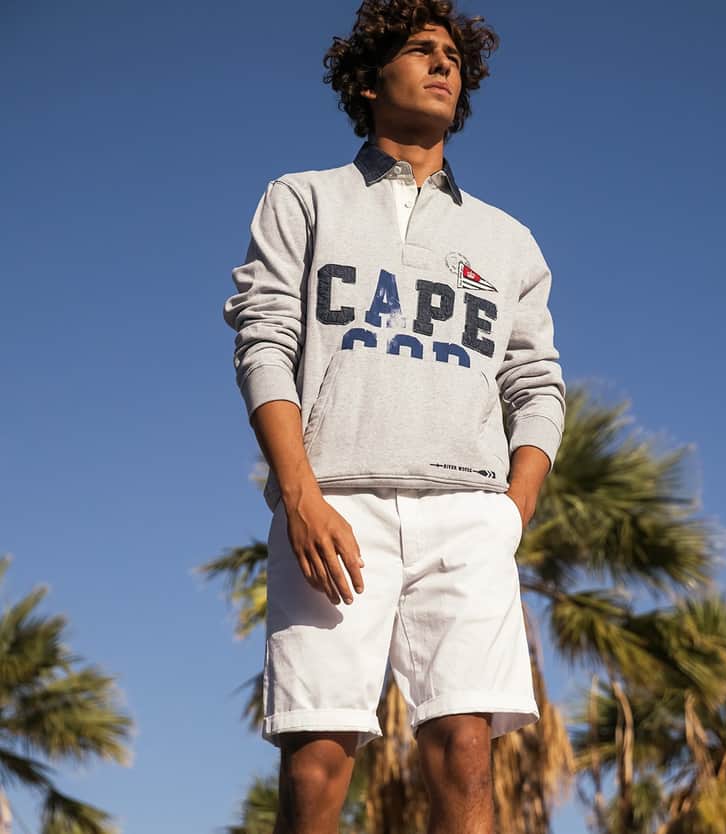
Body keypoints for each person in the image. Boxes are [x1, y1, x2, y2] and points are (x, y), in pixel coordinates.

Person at [222, 1, 566, 831]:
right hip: (335, 504)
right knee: (317, 757)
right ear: (370, 81)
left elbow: (537, 385)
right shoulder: (303, 199)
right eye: (420, 49)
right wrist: (300, 494)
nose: (444, 64)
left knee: (466, 747)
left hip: (467, 513)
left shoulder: (507, 239)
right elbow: (263, 342)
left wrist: (510, 514)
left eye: (454, 55)